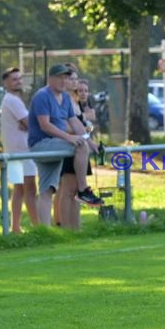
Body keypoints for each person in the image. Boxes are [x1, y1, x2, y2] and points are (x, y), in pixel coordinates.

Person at [28, 64, 103, 226]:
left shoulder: (66, 98)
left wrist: (91, 142)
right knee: (80, 146)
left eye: (66, 78)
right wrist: (69, 138)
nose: (64, 81)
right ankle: (83, 189)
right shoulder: (42, 96)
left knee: (47, 190)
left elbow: (75, 122)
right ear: (50, 79)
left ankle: (45, 232)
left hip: (55, 145)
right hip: (41, 144)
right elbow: (45, 125)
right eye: (60, 77)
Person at [54, 64, 95, 229]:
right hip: (70, 148)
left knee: (77, 191)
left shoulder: (76, 102)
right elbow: (62, 125)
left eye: (76, 79)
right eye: (71, 79)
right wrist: (83, 128)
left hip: (80, 148)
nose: (75, 82)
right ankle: (66, 227)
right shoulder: (64, 100)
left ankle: (76, 227)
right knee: (68, 190)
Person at [0, 67, 38, 233]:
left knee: (19, 189)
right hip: (22, 151)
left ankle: (15, 226)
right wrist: (31, 125)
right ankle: (39, 226)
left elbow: (26, 124)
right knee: (30, 189)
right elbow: (29, 124)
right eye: (14, 79)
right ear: (6, 83)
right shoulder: (12, 100)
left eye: (20, 78)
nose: (18, 82)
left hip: (14, 150)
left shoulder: (12, 99)